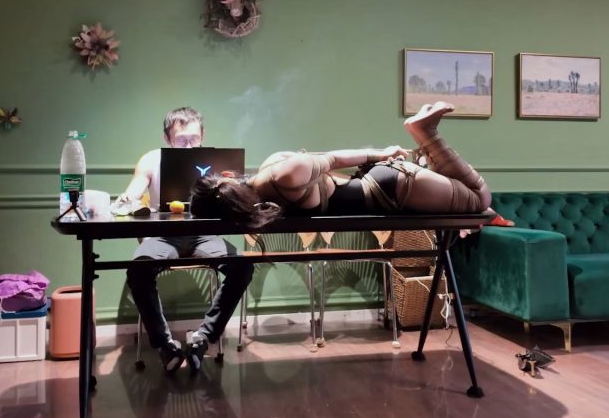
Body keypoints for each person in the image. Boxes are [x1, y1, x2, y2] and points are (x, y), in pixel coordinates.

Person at [190, 102, 492, 228]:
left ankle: (426, 132)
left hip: (389, 189)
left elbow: (335, 159)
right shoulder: (273, 167)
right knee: (475, 198)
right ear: (228, 177)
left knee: (479, 198)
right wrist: (380, 154)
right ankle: (425, 134)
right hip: (387, 186)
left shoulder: (283, 179)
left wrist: (381, 154)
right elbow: (332, 160)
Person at [116, 107, 254, 376]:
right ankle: (165, 345)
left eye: (194, 139)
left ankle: (203, 338)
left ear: (203, 135)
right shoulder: (151, 159)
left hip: (205, 235)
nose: (189, 145)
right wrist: (127, 198)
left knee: (242, 266)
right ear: (167, 138)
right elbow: (135, 189)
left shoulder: (215, 161)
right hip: (163, 235)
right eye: (181, 140)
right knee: (138, 270)